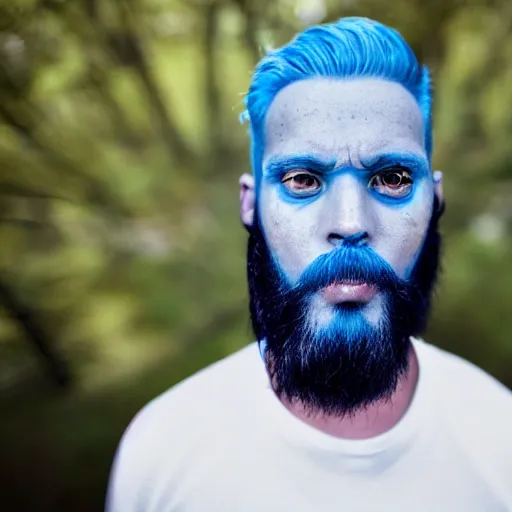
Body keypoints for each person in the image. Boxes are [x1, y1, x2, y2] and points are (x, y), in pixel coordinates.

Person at [106, 17, 512, 511]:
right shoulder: (159, 452)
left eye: (393, 177)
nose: (348, 223)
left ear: (436, 199)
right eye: (301, 180)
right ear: (250, 205)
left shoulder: (500, 436)